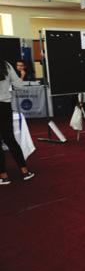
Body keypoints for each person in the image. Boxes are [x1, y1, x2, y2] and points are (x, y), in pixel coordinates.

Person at [0, 56, 35, 185]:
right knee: (10, 139)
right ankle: (25, 171)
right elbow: (19, 85)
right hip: (5, 106)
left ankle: (4, 176)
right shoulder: (6, 65)